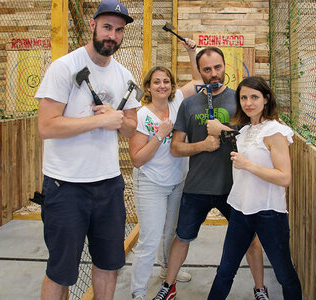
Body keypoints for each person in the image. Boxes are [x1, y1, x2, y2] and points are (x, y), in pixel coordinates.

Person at [35, 1, 140, 299]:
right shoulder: (64, 67)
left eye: (119, 30)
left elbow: (131, 126)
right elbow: (47, 126)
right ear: (93, 25)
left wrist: (117, 121)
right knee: (61, 270)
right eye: (107, 27)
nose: (113, 36)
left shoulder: (124, 75)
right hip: (65, 185)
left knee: (108, 265)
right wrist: (97, 122)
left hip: (108, 184)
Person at [152, 47, 268, 300]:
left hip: (234, 187)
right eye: (207, 69)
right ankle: (168, 286)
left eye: (217, 67)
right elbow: (176, 148)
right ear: (200, 72)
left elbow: (255, 140)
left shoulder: (242, 99)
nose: (213, 73)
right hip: (197, 187)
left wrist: (223, 130)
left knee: (251, 240)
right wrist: (202, 145)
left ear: (225, 66)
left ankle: (260, 289)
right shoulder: (189, 104)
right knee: (182, 238)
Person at [207, 76, 302, 299]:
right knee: (225, 272)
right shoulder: (246, 131)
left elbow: (284, 177)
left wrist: (248, 164)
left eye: (254, 97)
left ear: (266, 99)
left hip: (269, 213)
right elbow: (230, 133)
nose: (248, 103)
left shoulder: (275, 132)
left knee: (284, 275)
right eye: (243, 98)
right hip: (240, 210)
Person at [128, 38, 201, 300]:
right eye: (157, 82)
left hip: (177, 181)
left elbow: (198, 82)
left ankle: (166, 271)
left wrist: (192, 53)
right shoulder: (141, 116)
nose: (162, 85)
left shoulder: (177, 101)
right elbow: (137, 159)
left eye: (166, 81)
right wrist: (159, 136)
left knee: (172, 232)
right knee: (149, 240)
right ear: (148, 87)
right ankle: (137, 291)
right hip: (151, 182)